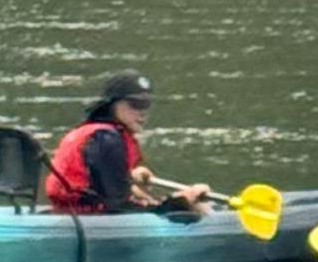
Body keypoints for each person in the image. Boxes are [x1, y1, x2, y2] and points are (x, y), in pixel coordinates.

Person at [43, 73, 213, 217]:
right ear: (112, 104)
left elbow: (108, 192)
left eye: (146, 105)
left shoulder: (97, 133)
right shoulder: (107, 139)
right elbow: (118, 209)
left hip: (75, 214)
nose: (142, 112)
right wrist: (181, 201)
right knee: (193, 205)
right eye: (135, 104)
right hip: (91, 220)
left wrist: (131, 180)